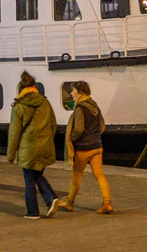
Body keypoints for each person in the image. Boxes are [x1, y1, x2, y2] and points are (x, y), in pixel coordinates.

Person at [6, 71, 58, 220]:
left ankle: (33, 211)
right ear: (34, 87)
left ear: (22, 89)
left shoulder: (18, 106)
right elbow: (53, 124)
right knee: (37, 174)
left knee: (29, 179)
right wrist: (47, 139)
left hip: (28, 148)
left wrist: (10, 155)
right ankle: (51, 199)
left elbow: (14, 133)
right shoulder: (45, 102)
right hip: (45, 145)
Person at [56, 80, 112, 214]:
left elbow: (79, 129)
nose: (71, 93)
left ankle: (69, 202)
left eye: (73, 91)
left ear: (80, 93)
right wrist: (94, 136)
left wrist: (72, 139)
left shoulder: (80, 108)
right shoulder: (94, 105)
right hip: (97, 146)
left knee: (76, 175)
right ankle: (107, 203)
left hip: (84, 148)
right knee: (99, 175)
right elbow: (102, 125)